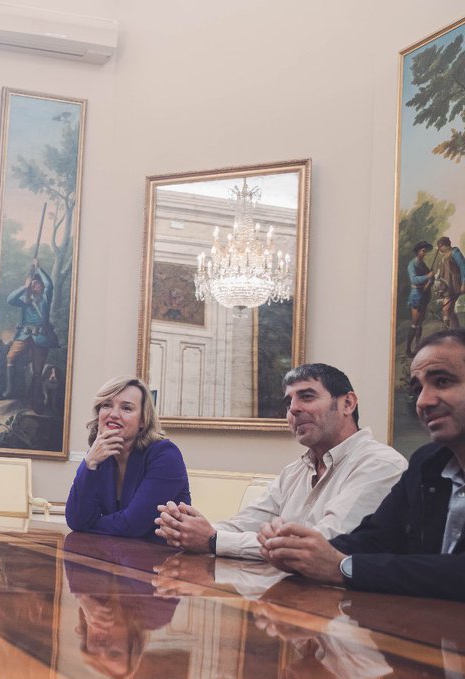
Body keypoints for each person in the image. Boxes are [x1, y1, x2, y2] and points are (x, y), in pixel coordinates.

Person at [259, 329, 465, 600]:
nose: (423, 401)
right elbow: (376, 537)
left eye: (442, 381)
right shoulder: (426, 463)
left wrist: (342, 567)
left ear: (348, 403)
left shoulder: (382, 462)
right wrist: (301, 554)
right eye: (417, 390)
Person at [155, 363, 406, 559]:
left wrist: (212, 539)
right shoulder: (295, 471)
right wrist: (190, 528)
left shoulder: (380, 464)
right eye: (289, 403)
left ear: (347, 403)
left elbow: (324, 544)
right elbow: (244, 525)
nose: (293, 409)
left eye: (306, 397)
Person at [65, 376, 190, 537]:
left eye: (127, 408)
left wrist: (89, 524)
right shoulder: (100, 454)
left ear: (143, 420)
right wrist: (89, 464)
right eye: (106, 405)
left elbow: (132, 525)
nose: (114, 414)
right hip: (113, 556)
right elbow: (76, 520)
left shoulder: (165, 455)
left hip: (165, 558)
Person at [1, 259, 55, 407]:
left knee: (38, 370)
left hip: (41, 337)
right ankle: (10, 390)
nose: (36, 285)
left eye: (38, 284)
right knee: (10, 357)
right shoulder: (26, 300)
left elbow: (49, 285)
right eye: (34, 284)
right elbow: (10, 299)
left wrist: (39, 268)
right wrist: (23, 287)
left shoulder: (44, 299)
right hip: (24, 335)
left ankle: (36, 399)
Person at [406, 241, 434, 357]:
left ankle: (418, 347)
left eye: (425, 251)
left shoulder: (423, 264)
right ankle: (408, 350)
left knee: (420, 323)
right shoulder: (412, 264)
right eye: (423, 251)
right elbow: (414, 280)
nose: (424, 253)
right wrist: (428, 276)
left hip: (424, 294)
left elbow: (430, 278)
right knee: (415, 323)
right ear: (418, 251)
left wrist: (429, 281)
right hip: (416, 295)